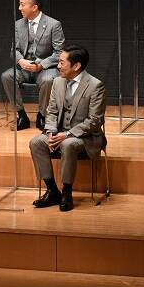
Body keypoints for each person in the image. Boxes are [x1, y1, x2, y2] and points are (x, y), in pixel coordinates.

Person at [29, 45, 106, 212]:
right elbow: (51, 111)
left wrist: (68, 134)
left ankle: (67, 192)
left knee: (68, 144)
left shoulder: (95, 85)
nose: (58, 66)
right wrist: (51, 132)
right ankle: (52, 190)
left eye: (62, 63)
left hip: (85, 137)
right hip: (59, 133)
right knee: (36, 142)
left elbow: (95, 121)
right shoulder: (57, 82)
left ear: (76, 66)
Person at [1, 0, 65, 130]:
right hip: (24, 68)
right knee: (7, 76)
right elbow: (14, 50)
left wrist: (40, 65)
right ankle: (21, 115)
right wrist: (21, 61)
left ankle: (42, 115)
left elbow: (59, 52)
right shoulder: (18, 24)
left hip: (45, 68)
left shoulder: (53, 24)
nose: (19, 8)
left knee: (48, 80)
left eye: (22, 4)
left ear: (34, 7)